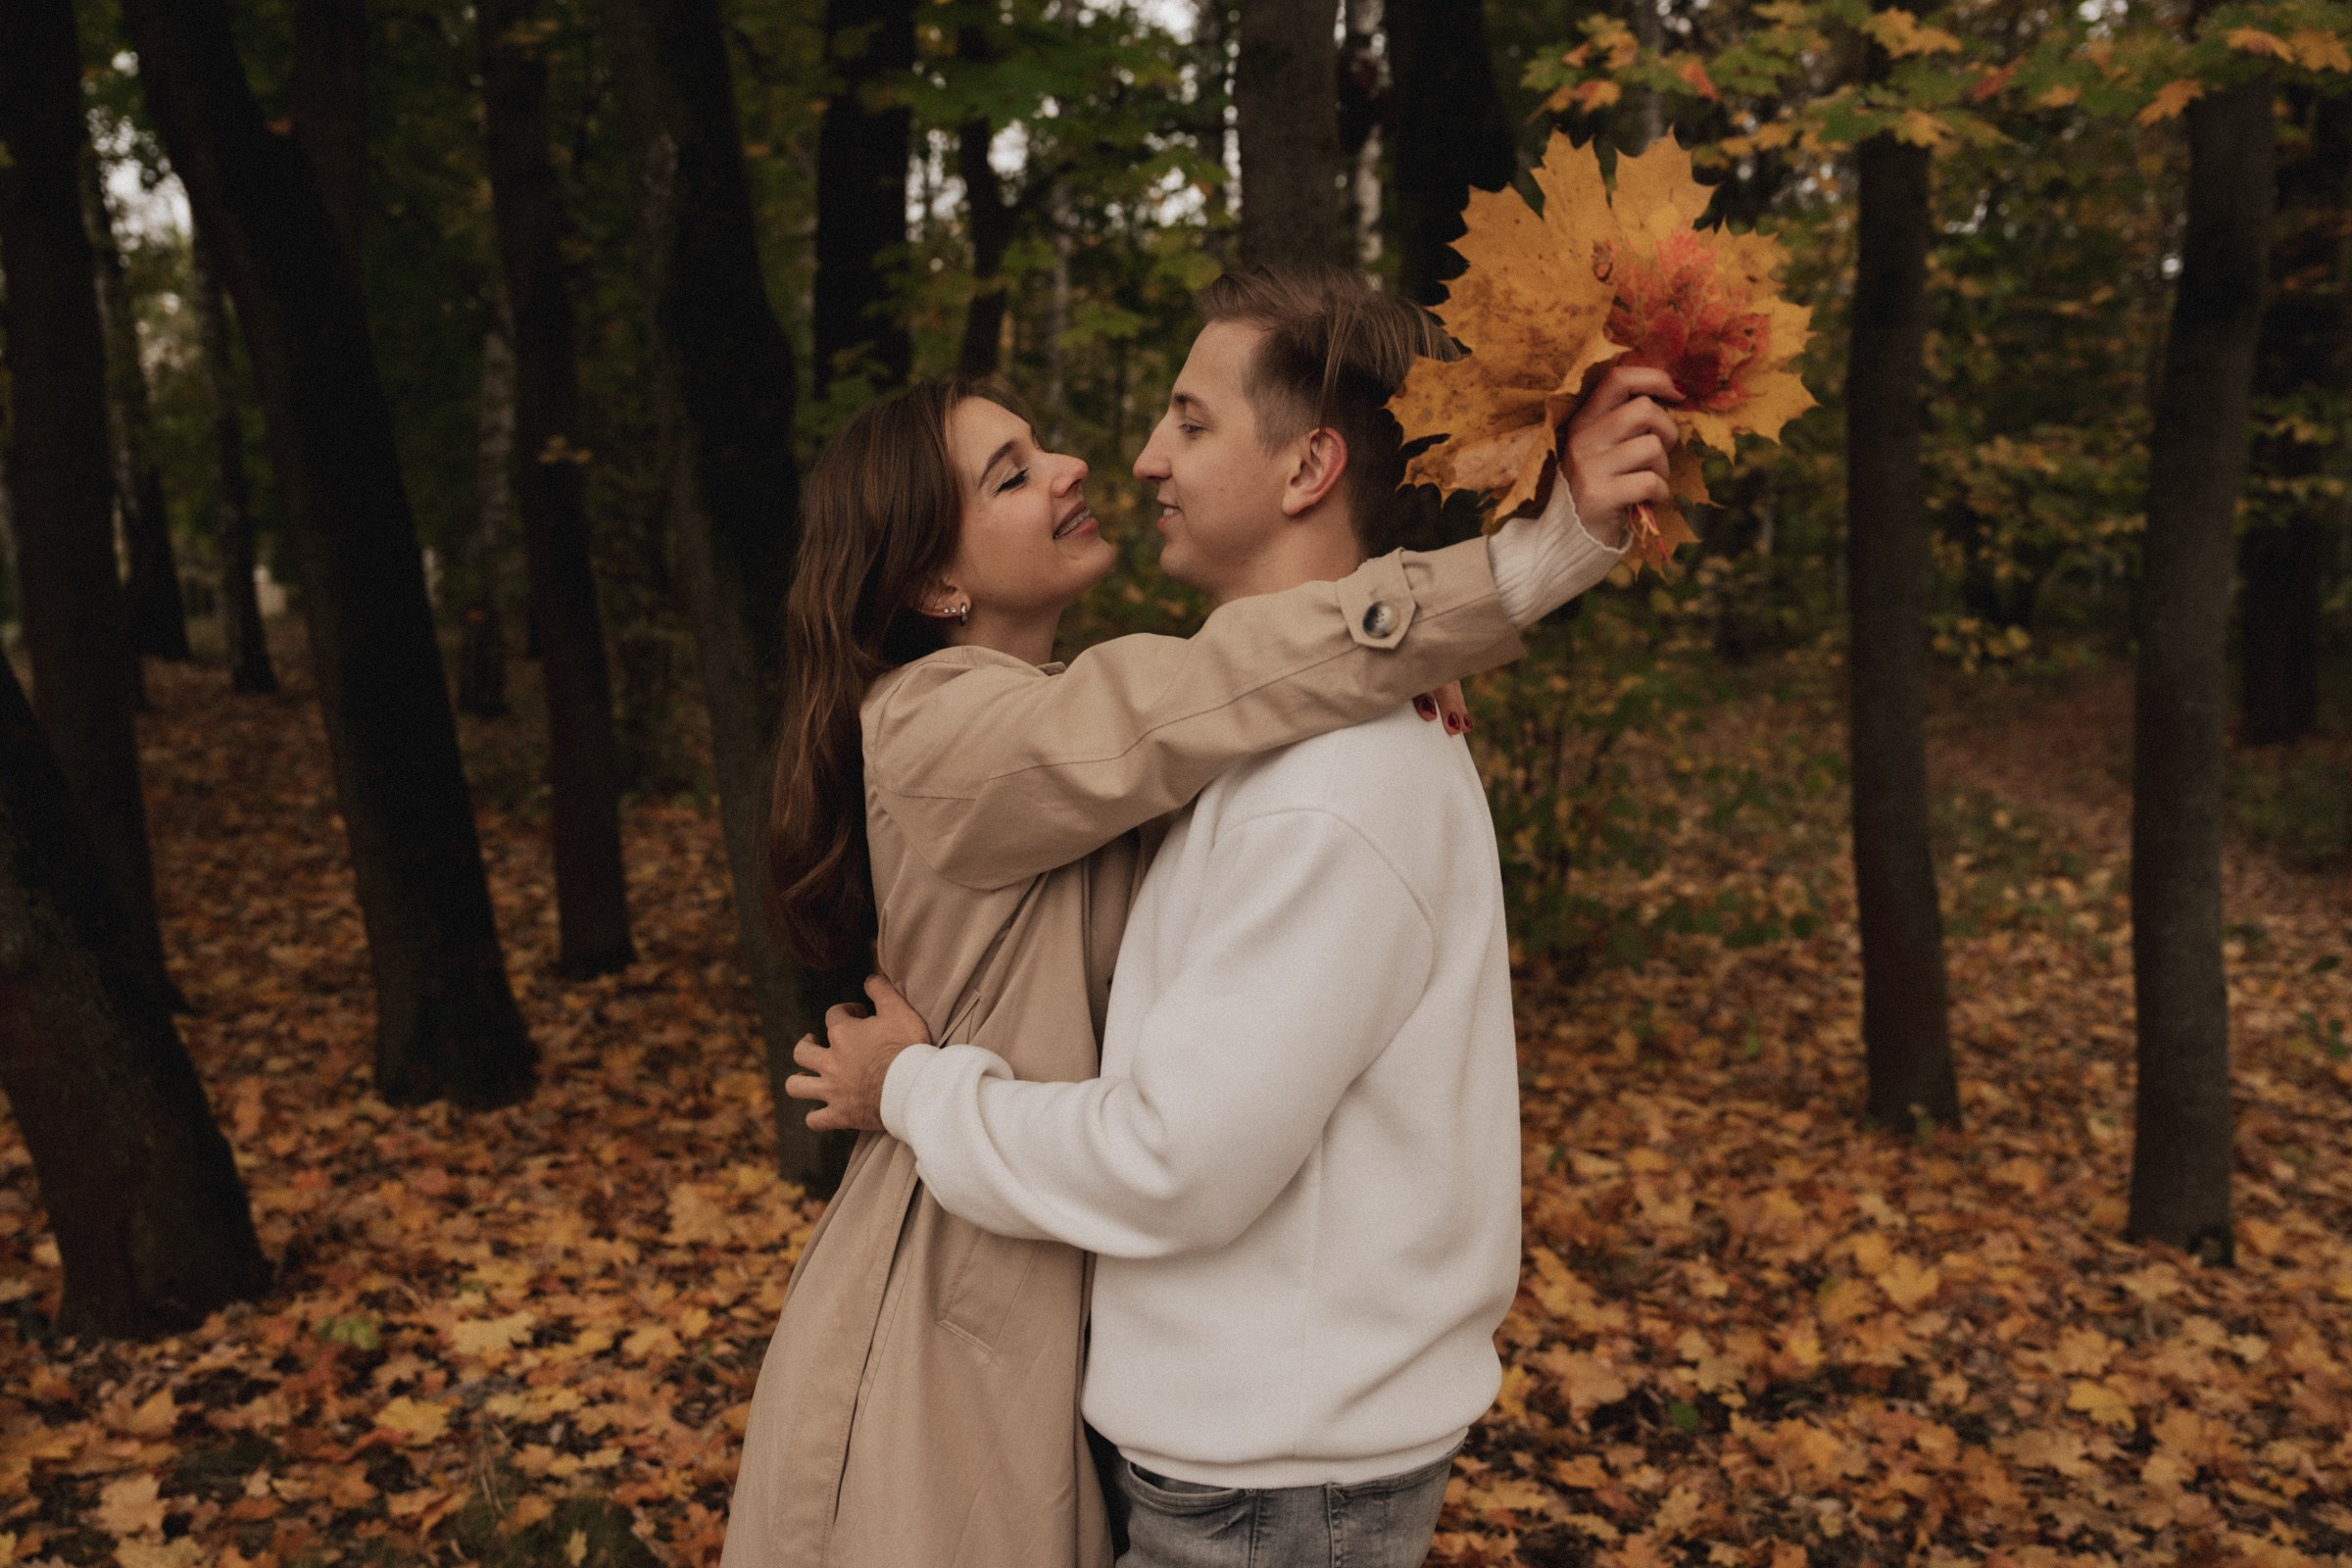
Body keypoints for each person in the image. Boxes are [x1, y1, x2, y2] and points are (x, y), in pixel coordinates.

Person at [724, 266, 1679, 1568]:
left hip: (1199, 1421)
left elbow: (1183, 1137)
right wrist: (1490, 591)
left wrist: (1388, 669)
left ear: (1306, 471)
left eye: (1186, 418)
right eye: (1009, 475)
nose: (1106, 461)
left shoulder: (1284, 773)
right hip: (967, 1314)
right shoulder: (957, 725)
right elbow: (1169, 707)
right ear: (936, 583)